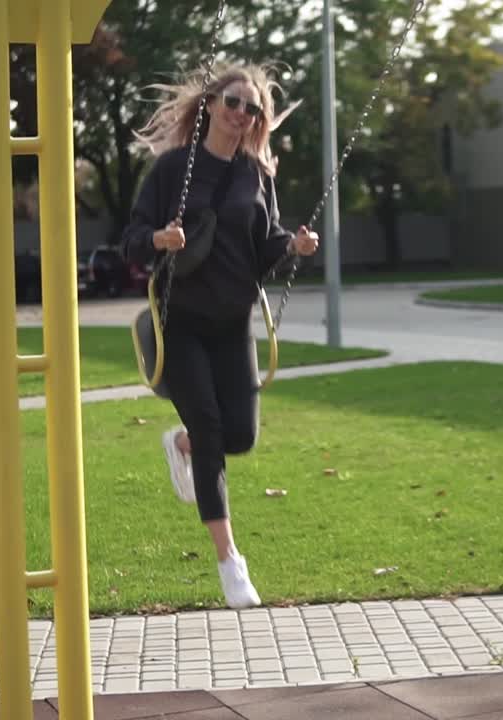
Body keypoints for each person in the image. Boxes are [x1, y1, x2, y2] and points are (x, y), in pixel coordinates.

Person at [122, 61, 319, 609]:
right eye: (233, 102)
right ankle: (231, 562)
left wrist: (293, 247)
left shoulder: (257, 175)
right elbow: (131, 239)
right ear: (210, 104)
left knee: (241, 436)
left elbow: (265, 245)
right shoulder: (171, 170)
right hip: (182, 320)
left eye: (252, 108)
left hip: (234, 323)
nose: (241, 114)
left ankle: (180, 444)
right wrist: (160, 238)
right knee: (210, 426)